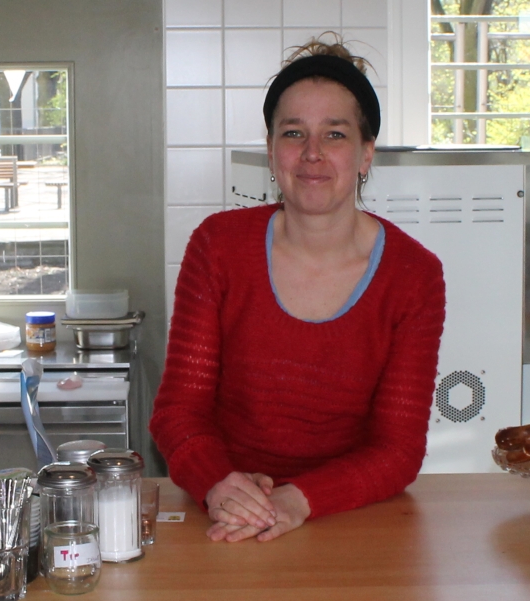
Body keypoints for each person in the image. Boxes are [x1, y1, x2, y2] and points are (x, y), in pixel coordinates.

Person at [149, 34, 446, 543]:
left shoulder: (414, 275)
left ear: (366, 154)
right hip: (226, 517)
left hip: (347, 518)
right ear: (271, 151)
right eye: (293, 133)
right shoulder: (217, 247)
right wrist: (218, 483)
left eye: (335, 134)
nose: (312, 153)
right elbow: (178, 412)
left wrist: (299, 499)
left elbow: (398, 450)